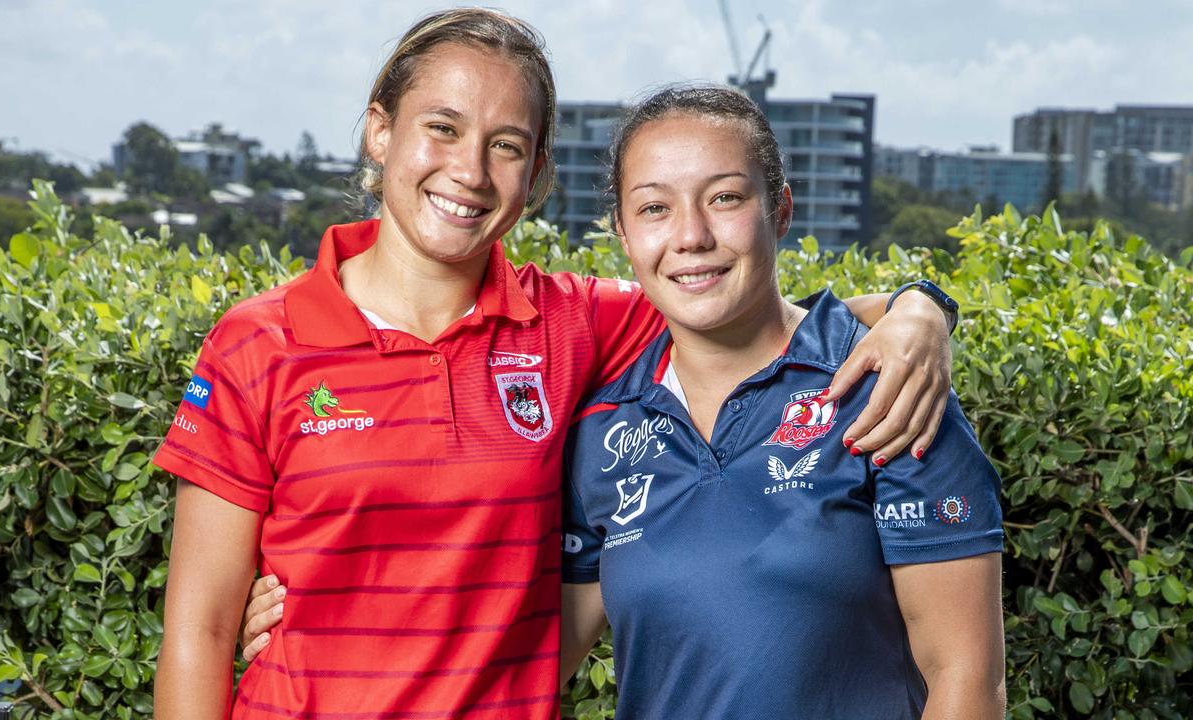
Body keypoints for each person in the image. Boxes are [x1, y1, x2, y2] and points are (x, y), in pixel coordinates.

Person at [156, 10, 958, 720]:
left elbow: (755, 315)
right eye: (441, 127)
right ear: (378, 131)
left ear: (537, 173)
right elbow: (200, 630)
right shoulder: (258, 343)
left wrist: (919, 309)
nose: (469, 171)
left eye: (505, 146)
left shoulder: (574, 321)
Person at [554, 85, 1005, 718]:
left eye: (725, 198)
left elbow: (966, 680)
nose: (691, 235)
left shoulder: (884, 386)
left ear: (781, 209)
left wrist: (922, 305)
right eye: (655, 208)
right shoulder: (603, 427)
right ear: (624, 235)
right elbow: (536, 666)